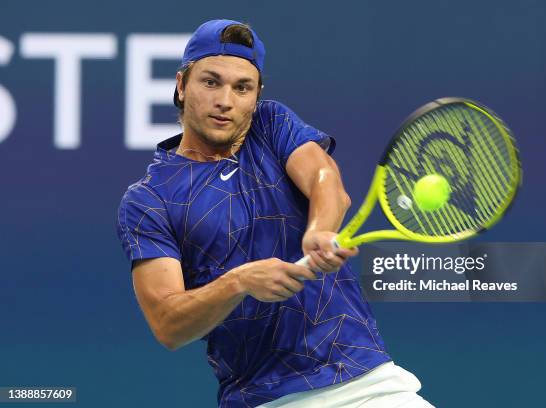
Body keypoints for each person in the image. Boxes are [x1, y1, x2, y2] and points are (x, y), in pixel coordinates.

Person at [117, 19, 434, 408]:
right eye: (211, 82)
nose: (225, 100)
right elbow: (168, 324)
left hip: (371, 386)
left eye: (242, 87)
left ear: (256, 95)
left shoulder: (271, 124)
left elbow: (324, 178)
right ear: (182, 86)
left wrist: (319, 229)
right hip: (268, 401)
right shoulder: (149, 200)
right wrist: (238, 282)